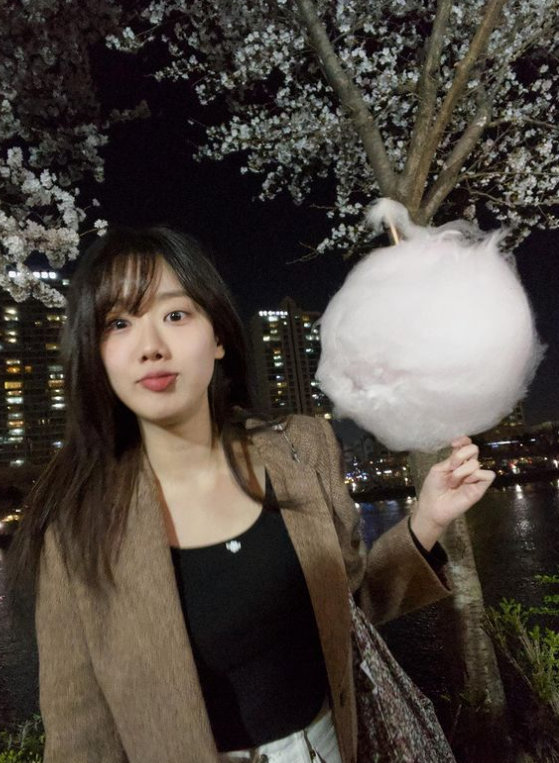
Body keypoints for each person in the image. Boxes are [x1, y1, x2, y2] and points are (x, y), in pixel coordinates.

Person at [10, 226, 495, 763]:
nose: (151, 347)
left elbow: (348, 609)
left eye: (175, 315)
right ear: (95, 354)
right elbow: (81, 734)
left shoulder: (301, 450)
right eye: (119, 323)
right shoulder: (75, 526)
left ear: (218, 337)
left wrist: (427, 519)